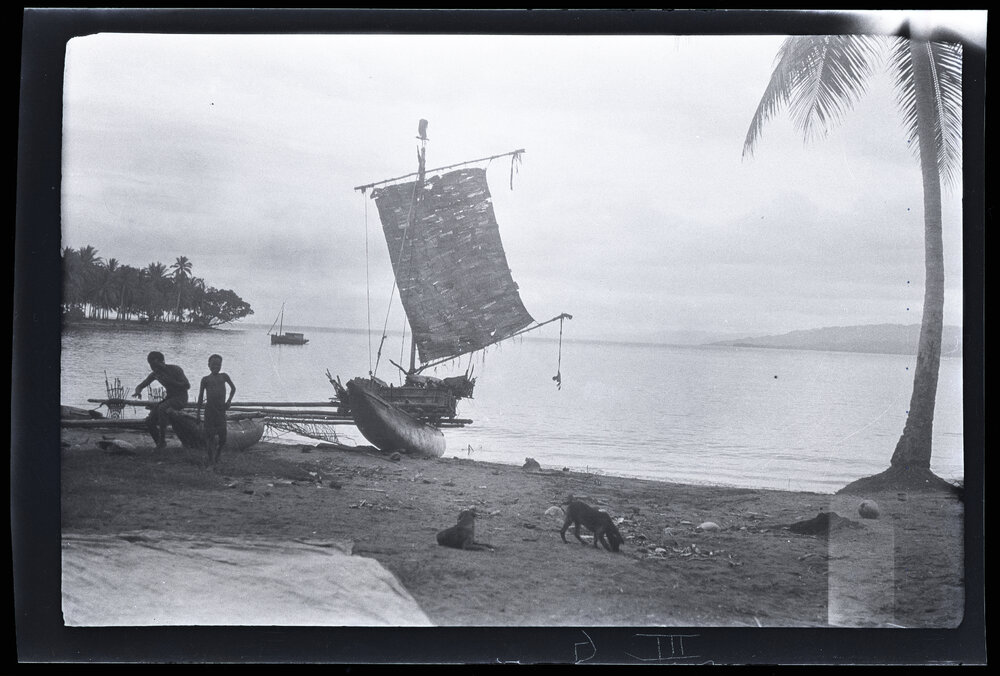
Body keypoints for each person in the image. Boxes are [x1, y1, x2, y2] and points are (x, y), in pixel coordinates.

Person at [133, 351, 190, 450]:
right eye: (151, 366)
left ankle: (162, 440)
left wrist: (171, 382)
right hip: (169, 398)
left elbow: (187, 385)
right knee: (149, 421)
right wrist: (138, 391)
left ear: (162, 362)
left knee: (162, 408)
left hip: (181, 398)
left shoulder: (175, 369)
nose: (155, 368)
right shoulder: (156, 374)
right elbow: (141, 385)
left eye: (156, 365)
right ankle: (160, 443)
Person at [196, 354, 236, 466]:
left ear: (221, 365)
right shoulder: (205, 379)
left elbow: (233, 388)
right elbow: (200, 397)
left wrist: (228, 401)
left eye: (218, 365)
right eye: (213, 365)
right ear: (209, 365)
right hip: (209, 411)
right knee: (209, 436)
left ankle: (217, 454)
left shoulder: (224, 377)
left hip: (221, 411)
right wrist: (198, 414)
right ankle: (211, 460)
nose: (216, 367)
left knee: (223, 437)